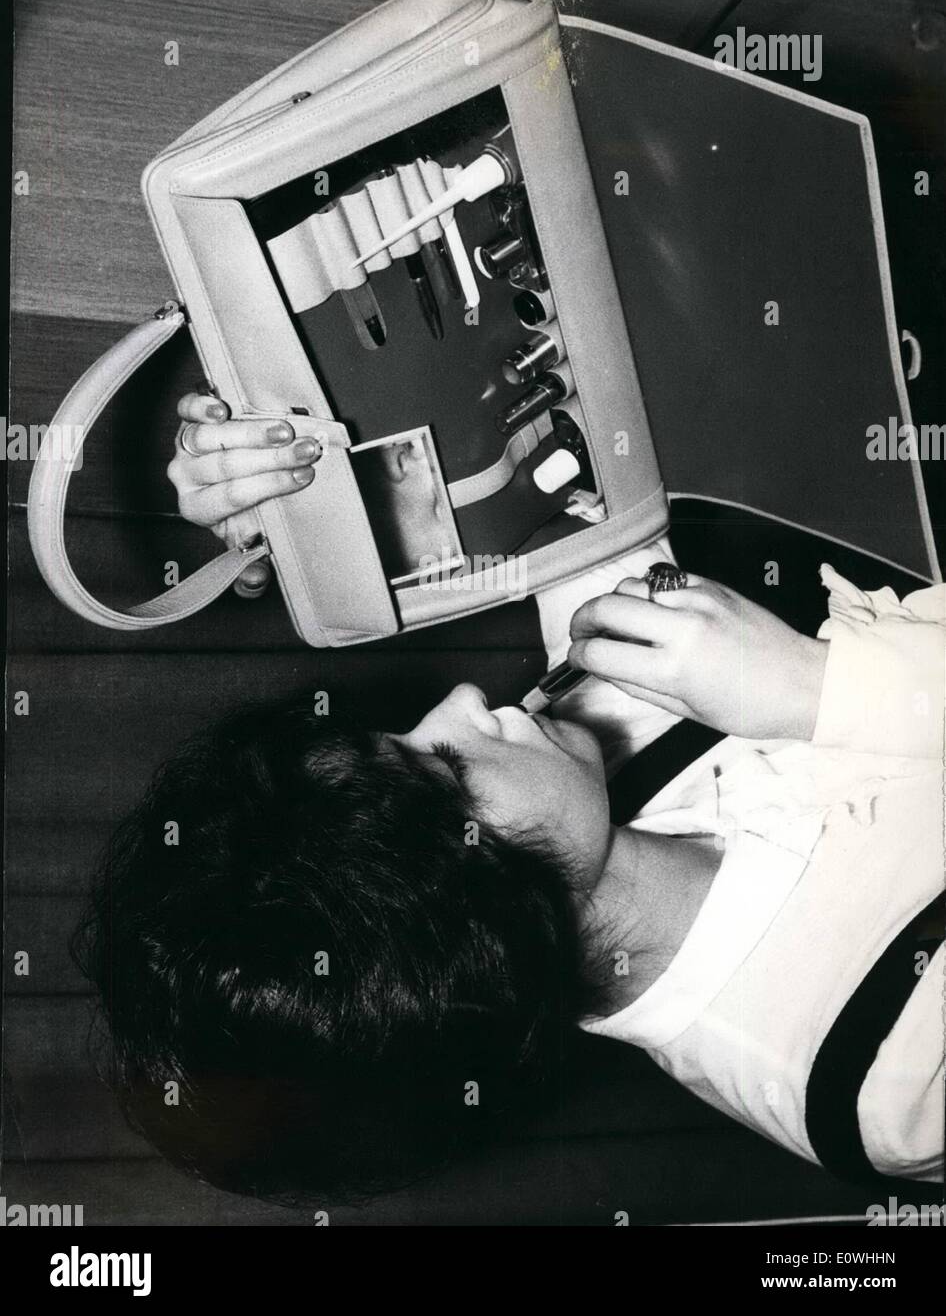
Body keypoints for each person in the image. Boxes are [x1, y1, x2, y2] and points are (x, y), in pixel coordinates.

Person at [74, 394, 945, 1206]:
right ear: (493, 932)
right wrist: (822, 688)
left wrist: (305, 487)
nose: (459, 703)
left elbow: (563, 437)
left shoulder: (582, 741)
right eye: (447, 771)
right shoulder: (889, 1082)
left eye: (401, 738)